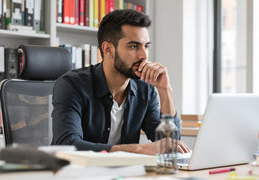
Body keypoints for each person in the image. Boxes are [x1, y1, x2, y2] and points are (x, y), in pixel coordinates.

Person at [51, 9, 190, 155]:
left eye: (146, 46)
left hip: (126, 174)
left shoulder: (145, 91)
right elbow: (67, 144)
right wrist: (139, 149)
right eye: (134, 46)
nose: (144, 55)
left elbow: (171, 145)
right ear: (108, 49)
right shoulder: (71, 85)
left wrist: (165, 90)